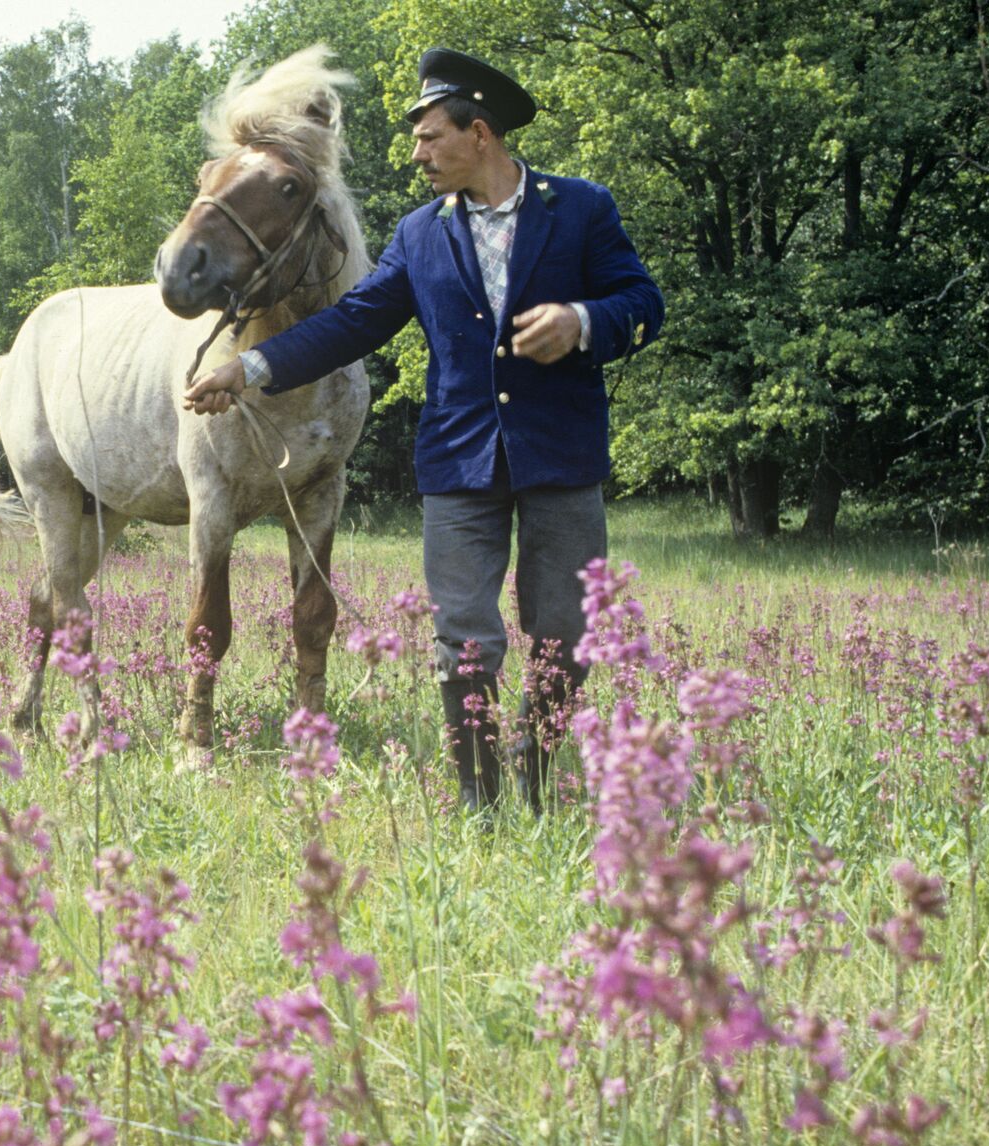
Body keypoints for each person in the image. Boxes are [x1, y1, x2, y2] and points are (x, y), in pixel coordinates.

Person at [183, 48, 664, 812]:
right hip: (458, 467)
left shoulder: (581, 209)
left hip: (562, 460)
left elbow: (644, 303)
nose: (416, 154)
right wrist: (253, 367)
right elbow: (352, 322)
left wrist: (582, 321)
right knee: (463, 640)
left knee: (565, 638)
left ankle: (537, 778)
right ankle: (479, 800)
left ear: (480, 133)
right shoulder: (419, 234)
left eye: (430, 136)